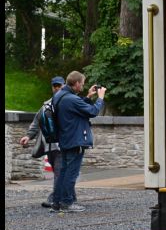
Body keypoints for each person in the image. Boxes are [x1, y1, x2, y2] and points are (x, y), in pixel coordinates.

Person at [50, 71, 106, 213]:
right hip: (75, 140)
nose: (83, 86)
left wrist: (88, 96)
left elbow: (75, 108)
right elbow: (92, 111)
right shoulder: (71, 99)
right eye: (82, 83)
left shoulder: (60, 96)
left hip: (65, 139)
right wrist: (100, 98)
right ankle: (67, 203)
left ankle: (57, 202)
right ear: (76, 83)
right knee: (71, 173)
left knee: (63, 172)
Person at [18, 76, 69, 208]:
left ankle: (56, 199)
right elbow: (37, 121)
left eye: (59, 85)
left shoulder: (69, 101)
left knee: (59, 172)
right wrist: (28, 136)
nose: (57, 88)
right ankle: (66, 197)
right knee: (59, 173)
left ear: (64, 85)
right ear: (52, 87)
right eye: (55, 86)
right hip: (49, 145)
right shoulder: (46, 104)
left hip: (62, 145)